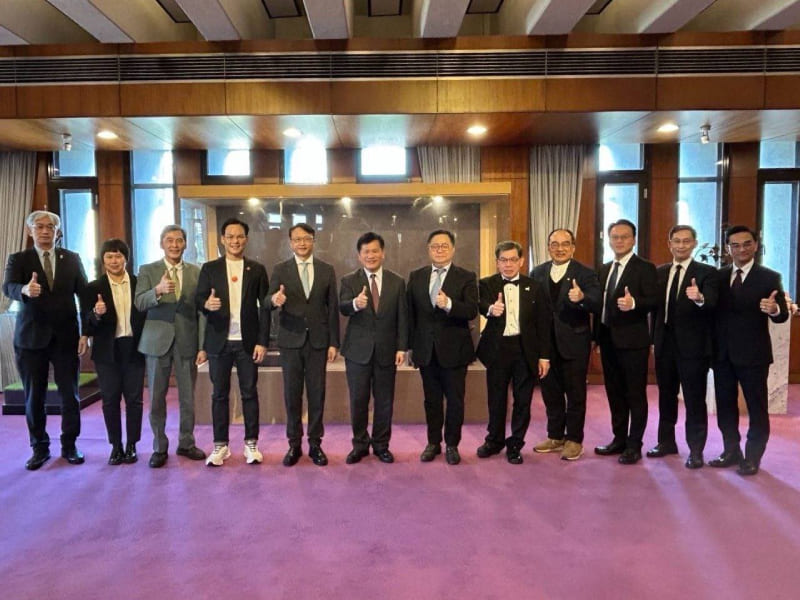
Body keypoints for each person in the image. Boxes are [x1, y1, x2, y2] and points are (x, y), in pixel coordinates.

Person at [2, 210, 88, 470]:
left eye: (50, 227)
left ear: (57, 232)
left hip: (66, 337)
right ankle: (39, 447)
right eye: (39, 226)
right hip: (30, 338)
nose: (45, 231)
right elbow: (8, 287)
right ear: (30, 231)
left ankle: (70, 445)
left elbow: (84, 295)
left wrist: (86, 332)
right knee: (34, 396)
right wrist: (24, 290)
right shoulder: (19, 259)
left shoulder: (71, 258)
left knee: (70, 395)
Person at [710, 225, 788, 476]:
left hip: (754, 354)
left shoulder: (769, 277)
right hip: (722, 354)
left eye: (746, 244)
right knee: (725, 405)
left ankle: (753, 456)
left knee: (757, 407)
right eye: (735, 245)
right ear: (728, 249)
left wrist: (774, 309)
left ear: (755, 245)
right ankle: (731, 450)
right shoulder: (718, 276)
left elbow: (781, 315)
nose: (741, 249)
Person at [196, 218, 269, 466]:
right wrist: (207, 304)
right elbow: (199, 300)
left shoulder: (256, 269)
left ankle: (251, 444)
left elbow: (265, 308)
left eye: (239, 236)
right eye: (230, 236)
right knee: (219, 394)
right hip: (219, 341)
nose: (235, 241)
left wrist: (262, 341)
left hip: (248, 343)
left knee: (249, 393)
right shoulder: (210, 269)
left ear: (246, 239)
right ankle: (220, 446)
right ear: (222, 239)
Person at [134, 225, 207, 468]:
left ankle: (186, 442)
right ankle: (159, 446)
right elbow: (139, 302)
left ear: (185, 243)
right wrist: (157, 290)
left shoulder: (197, 272)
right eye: (169, 240)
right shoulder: (148, 270)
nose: (174, 245)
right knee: (156, 397)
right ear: (161, 244)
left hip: (187, 341)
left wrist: (202, 346)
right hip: (156, 342)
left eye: (179, 240)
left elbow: (201, 312)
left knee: (188, 397)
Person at [268, 223, 339, 467]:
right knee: (292, 394)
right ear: (290, 243)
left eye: (306, 238)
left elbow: (332, 308)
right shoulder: (281, 269)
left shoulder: (326, 270)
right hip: (290, 341)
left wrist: (334, 342)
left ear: (313, 241)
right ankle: (294, 444)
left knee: (317, 394)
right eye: (297, 239)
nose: (302, 243)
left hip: (318, 342)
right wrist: (274, 299)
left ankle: (315, 444)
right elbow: (267, 301)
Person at [476, 240, 552, 464]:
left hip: (525, 349)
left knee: (523, 400)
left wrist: (544, 356)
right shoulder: (486, 284)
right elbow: (479, 305)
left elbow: (543, 323)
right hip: (497, 349)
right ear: (497, 262)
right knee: (496, 399)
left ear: (521, 261)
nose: (508, 264)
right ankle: (494, 440)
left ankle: (515, 443)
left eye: (512, 260)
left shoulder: (535, 286)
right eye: (503, 260)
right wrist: (491, 309)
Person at [649, 225, 719, 469]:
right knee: (666, 396)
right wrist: (653, 341)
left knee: (694, 399)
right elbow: (654, 310)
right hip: (664, 345)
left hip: (693, 348)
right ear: (669, 244)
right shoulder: (659, 272)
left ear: (694, 243)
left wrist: (700, 298)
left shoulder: (707, 273)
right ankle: (666, 442)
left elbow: (713, 304)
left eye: (686, 241)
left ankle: (696, 450)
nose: (681, 245)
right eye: (676, 241)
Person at [407, 229, 478, 465]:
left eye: (444, 246)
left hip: (455, 351)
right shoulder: (416, 276)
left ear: (453, 249)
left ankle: (452, 445)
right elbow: (410, 314)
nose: (439, 250)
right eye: (435, 246)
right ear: (428, 249)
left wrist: (449, 304)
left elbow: (471, 311)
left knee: (455, 401)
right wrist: (410, 347)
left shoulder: (466, 276)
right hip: (426, 351)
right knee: (431, 400)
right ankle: (433, 443)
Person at [531, 228, 601, 461]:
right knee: (550, 393)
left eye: (565, 244)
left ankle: (574, 440)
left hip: (574, 342)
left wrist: (582, 299)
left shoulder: (585, 273)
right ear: (548, 247)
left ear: (573, 247)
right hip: (545, 345)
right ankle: (555, 435)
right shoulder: (537, 272)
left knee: (575, 393)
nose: (559, 248)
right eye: (554, 244)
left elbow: (597, 302)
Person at [339, 232, 407, 464]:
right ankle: (359, 445)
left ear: (383, 253)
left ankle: (381, 445)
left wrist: (401, 347)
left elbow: (403, 317)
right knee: (358, 400)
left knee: (384, 401)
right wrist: (355, 304)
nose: (371, 255)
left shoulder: (397, 281)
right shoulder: (349, 280)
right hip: (357, 352)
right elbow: (342, 307)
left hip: (387, 351)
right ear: (359, 256)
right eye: (366, 252)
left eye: (375, 251)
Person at [594, 219, 658, 465]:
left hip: (633, 342)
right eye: (615, 237)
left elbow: (654, 300)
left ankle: (634, 444)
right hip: (607, 340)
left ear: (634, 240)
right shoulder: (604, 269)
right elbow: (599, 306)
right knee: (614, 393)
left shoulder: (645, 267)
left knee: (635, 395)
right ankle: (619, 439)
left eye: (624, 237)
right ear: (609, 240)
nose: (619, 241)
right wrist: (596, 338)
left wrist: (634, 304)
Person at [84, 239, 146, 465]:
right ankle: (116, 446)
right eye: (109, 256)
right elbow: (87, 323)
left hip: (134, 347)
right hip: (106, 351)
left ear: (126, 259)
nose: (114, 261)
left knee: (134, 400)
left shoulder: (139, 284)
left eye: (118, 256)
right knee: (110, 400)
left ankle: (132, 445)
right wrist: (96, 313)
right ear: (103, 260)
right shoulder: (93, 287)